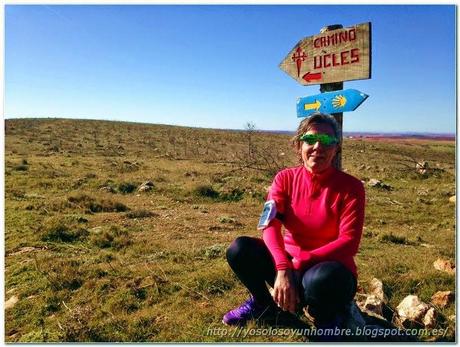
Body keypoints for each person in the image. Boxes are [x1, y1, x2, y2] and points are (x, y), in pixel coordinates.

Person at [223, 113, 365, 337]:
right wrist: (282, 267)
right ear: (298, 146)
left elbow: (349, 243)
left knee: (322, 279)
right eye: (310, 140)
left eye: (327, 141)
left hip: (329, 269)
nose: (318, 146)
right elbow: (269, 225)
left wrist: (299, 263)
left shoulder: (351, 187)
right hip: (289, 265)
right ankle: (264, 304)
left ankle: (328, 320)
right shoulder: (284, 179)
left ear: (336, 148)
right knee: (240, 249)